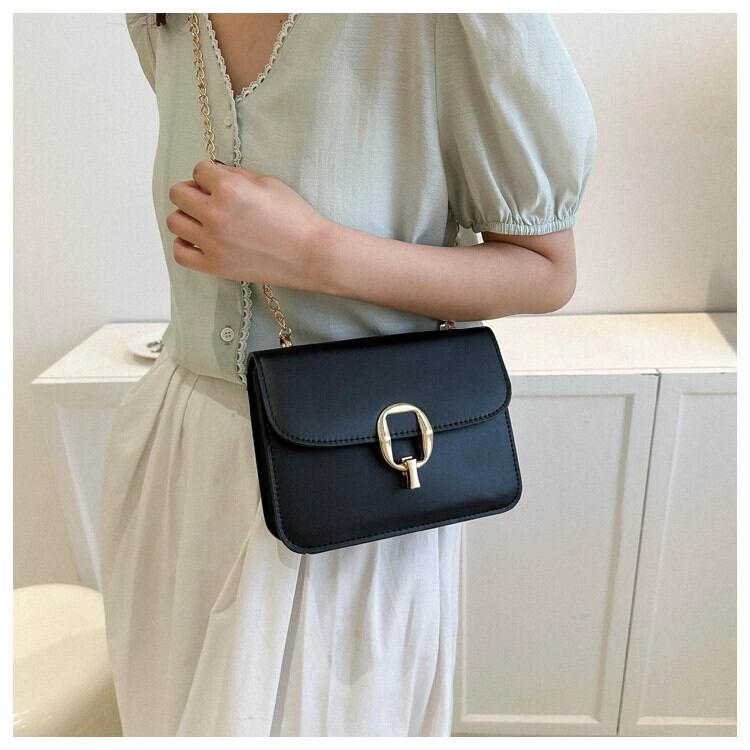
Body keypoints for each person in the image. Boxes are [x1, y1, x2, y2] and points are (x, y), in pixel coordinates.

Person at [98, 12, 597, 737]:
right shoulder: (164, 17)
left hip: (355, 475)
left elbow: (546, 270)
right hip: (180, 456)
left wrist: (312, 251)